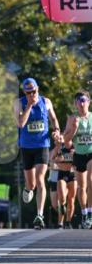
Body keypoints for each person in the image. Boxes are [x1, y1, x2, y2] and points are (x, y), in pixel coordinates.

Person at [13, 77, 60, 230]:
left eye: (33, 91)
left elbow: (53, 118)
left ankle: (39, 215)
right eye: (28, 93)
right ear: (24, 92)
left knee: (40, 179)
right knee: (31, 184)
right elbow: (20, 123)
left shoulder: (46, 102)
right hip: (26, 147)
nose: (31, 95)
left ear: (38, 89)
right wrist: (29, 106)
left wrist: (56, 131)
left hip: (42, 145)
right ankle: (28, 188)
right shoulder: (19, 103)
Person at [63, 90, 92, 228]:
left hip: (91, 153)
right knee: (82, 187)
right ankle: (84, 213)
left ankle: (91, 214)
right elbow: (66, 142)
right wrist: (74, 129)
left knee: (90, 181)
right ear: (75, 104)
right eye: (78, 101)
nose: (81, 103)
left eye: (84, 100)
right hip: (79, 155)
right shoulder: (72, 119)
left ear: (89, 102)